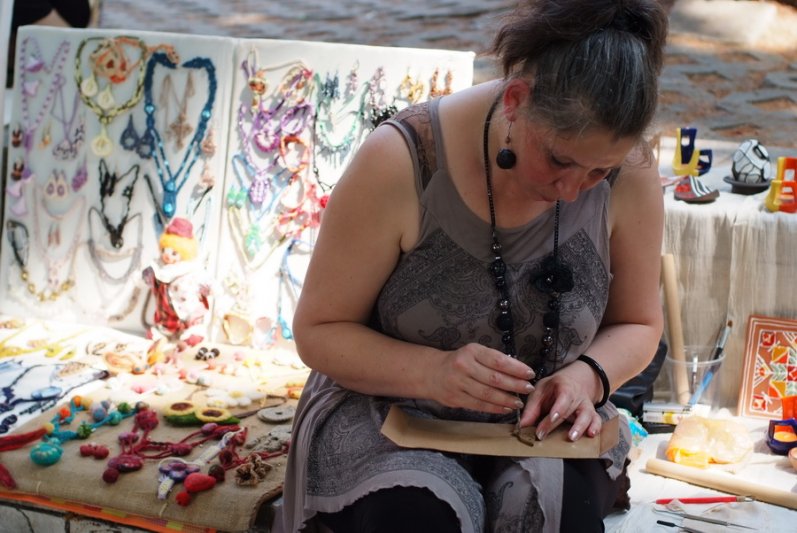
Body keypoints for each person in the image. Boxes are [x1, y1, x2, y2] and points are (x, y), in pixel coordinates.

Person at [278, 0, 668, 531]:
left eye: (599, 171)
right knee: (419, 516)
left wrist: (588, 376)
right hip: (389, 411)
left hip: (544, 424)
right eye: (559, 160)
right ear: (515, 100)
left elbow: (639, 324)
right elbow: (318, 331)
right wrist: (431, 372)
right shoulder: (403, 160)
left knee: (554, 513)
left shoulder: (632, 173)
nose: (572, 191)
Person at [142, 217, 212, 357]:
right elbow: (144, 280)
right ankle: (162, 334)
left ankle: (193, 334)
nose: (167, 256)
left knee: (193, 330)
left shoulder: (192, 270)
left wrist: (211, 289)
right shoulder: (158, 269)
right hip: (166, 316)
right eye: (164, 250)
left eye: (174, 253)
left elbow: (208, 285)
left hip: (188, 314)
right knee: (159, 331)